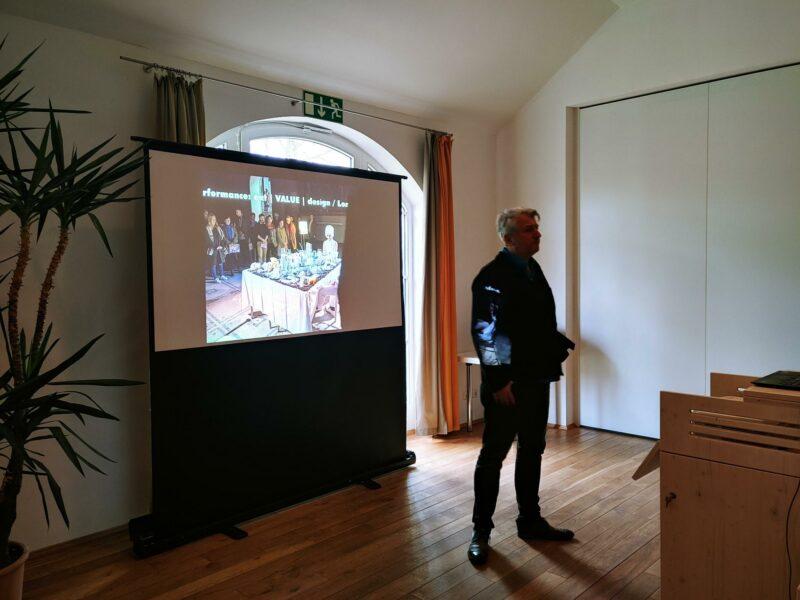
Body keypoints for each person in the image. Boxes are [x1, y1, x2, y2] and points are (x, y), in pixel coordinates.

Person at [467, 207, 576, 566]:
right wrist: (498, 382)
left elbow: (535, 323)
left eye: (537, 229)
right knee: (493, 457)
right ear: (509, 238)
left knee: (532, 450)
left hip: (534, 378)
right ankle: (480, 532)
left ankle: (530, 521)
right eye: (529, 230)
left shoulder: (533, 269)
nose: (538, 234)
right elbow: (484, 333)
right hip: (508, 385)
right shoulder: (491, 276)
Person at [205, 213, 228, 283]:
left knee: (220, 262)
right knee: (213, 263)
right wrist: (215, 247)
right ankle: (215, 277)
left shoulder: (217, 228)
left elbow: (222, 238)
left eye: (215, 219)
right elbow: (207, 241)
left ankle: (222, 275)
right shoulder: (206, 229)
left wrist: (223, 245)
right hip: (212, 249)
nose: (214, 221)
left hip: (219, 248)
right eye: (213, 220)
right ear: (209, 221)